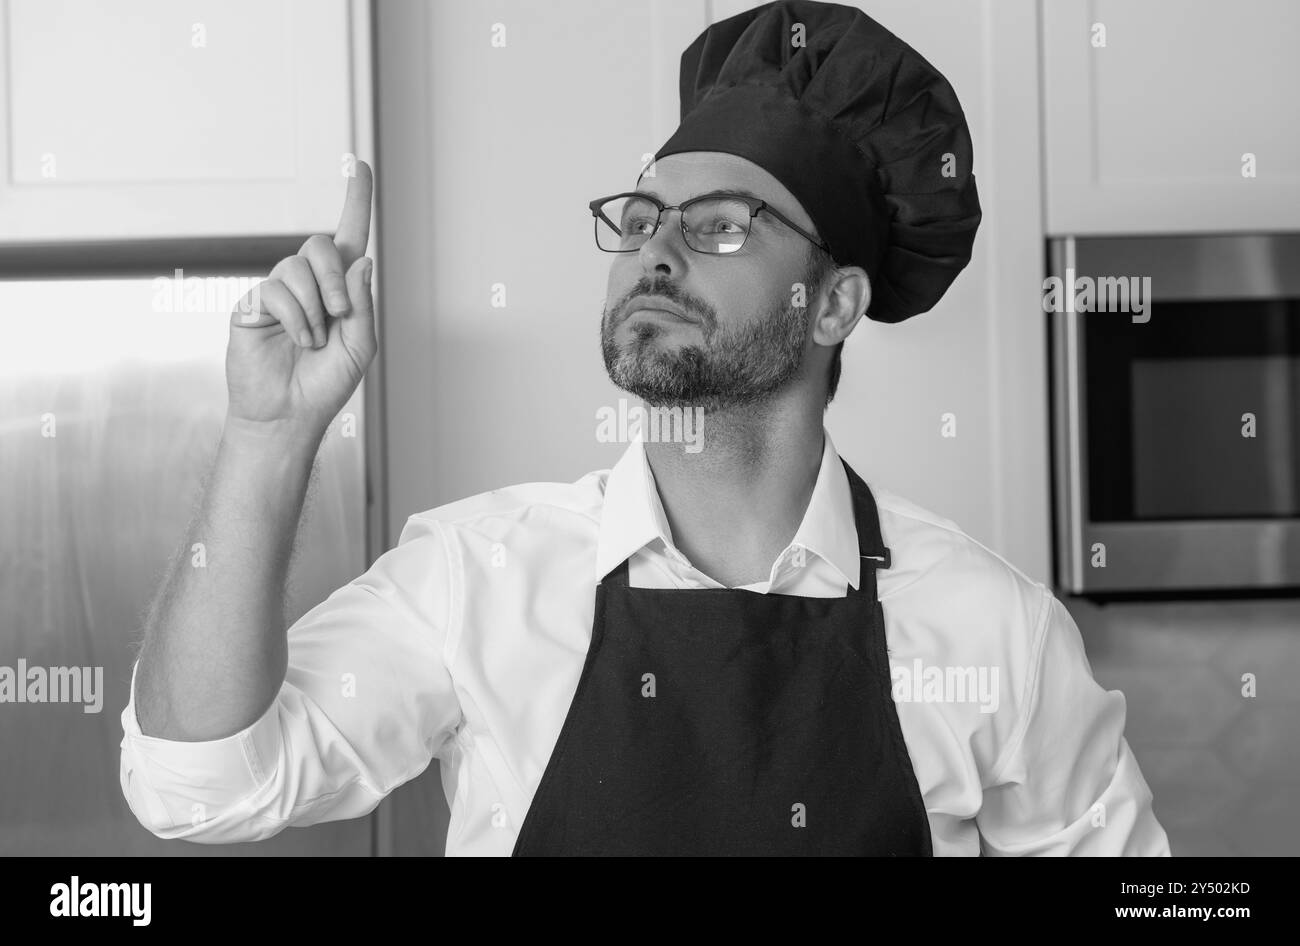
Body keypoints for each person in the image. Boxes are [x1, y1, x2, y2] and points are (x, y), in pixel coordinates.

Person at [120, 0, 1170, 856]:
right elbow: (197, 786)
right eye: (640, 217)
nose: (654, 252)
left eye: (718, 224)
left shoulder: (990, 629)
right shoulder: (478, 577)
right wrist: (269, 431)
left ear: (835, 305)